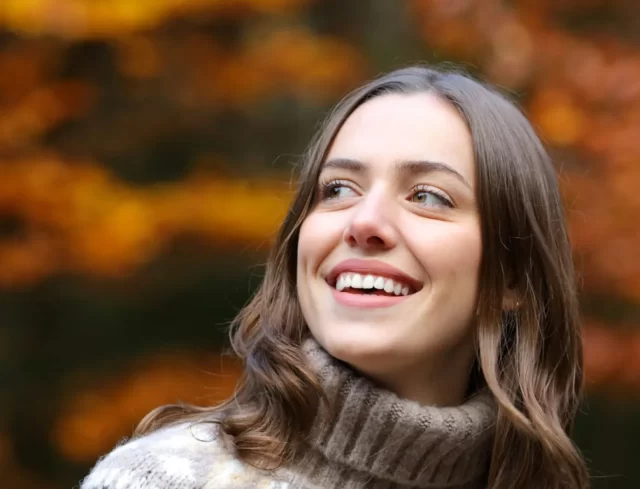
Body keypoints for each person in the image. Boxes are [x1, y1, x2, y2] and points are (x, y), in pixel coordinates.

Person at [80, 65, 590, 489]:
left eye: (428, 196)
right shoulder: (164, 480)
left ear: (513, 279)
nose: (364, 222)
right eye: (339, 188)